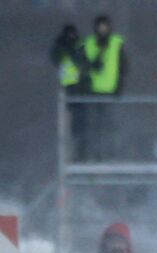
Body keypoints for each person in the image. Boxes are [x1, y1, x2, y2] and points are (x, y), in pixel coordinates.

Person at [81, 15, 127, 159]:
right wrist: (91, 67)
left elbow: (123, 67)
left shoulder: (116, 43)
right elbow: (82, 65)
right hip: (92, 92)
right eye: (100, 26)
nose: (103, 29)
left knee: (110, 126)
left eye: (105, 26)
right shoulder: (88, 43)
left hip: (110, 92)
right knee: (92, 127)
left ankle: (111, 155)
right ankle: (94, 155)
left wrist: (120, 86)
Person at [50, 24, 89, 160]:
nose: (71, 37)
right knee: (72, 123)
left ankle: (80, 153)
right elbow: (55, 58)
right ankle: (72, 153)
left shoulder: (79, 46)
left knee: (80, 123)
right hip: (68, 88)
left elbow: (83, 62)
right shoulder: (60, 47)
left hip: (81, 87)